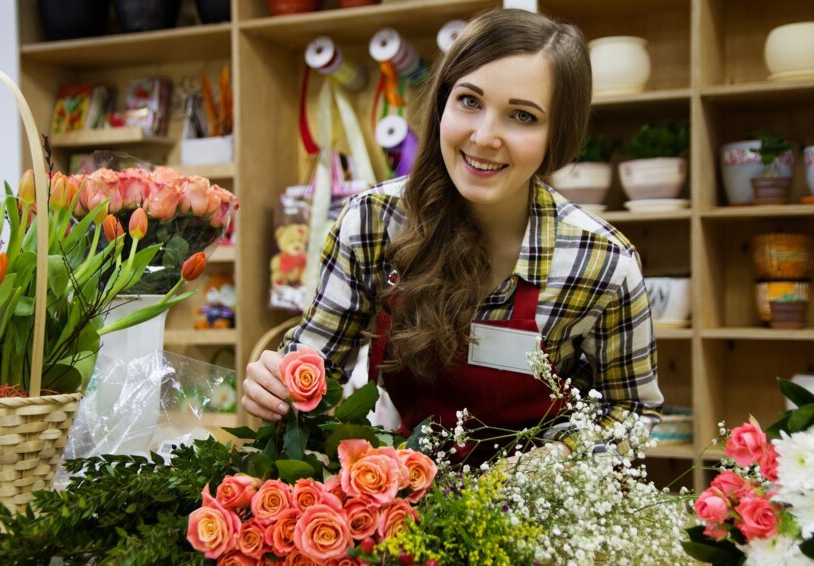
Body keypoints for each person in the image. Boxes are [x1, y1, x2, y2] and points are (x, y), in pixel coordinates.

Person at [242, 8, 663, 455]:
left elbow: (632, 412)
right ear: (442, 102)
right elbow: (315, 369)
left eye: (522, 116)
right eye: (469, 100)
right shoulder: (373, 222)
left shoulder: (601, 262)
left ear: (558, 134)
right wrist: (278, 385)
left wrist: (557, 461)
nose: (484, 136)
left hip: (539, 510)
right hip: (401, 495)